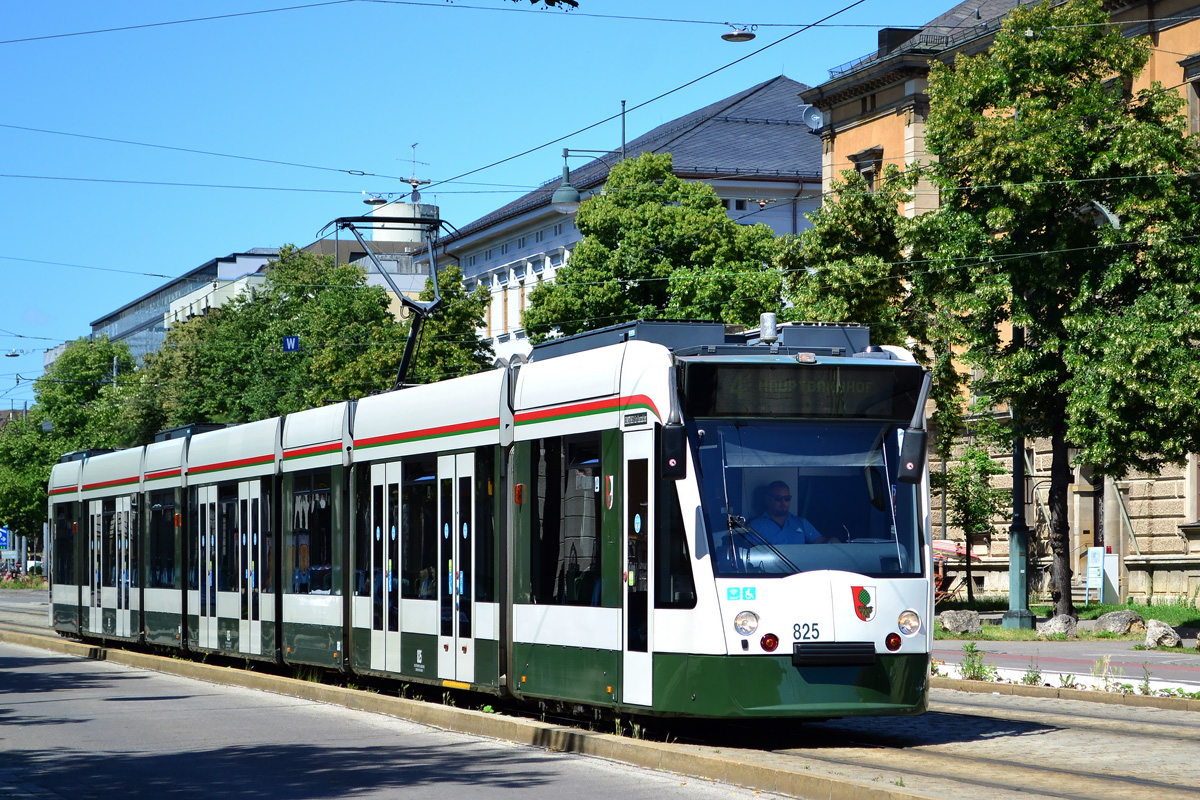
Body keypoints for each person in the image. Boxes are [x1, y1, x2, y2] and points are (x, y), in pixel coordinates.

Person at [749, 481, 827, 544]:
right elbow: (750, 553)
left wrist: (831, 542)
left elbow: (821, 543)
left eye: (787, 498)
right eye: (778, 498)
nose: (783, 502)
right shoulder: (755, 526)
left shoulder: (801, 523)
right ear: (767, 499)